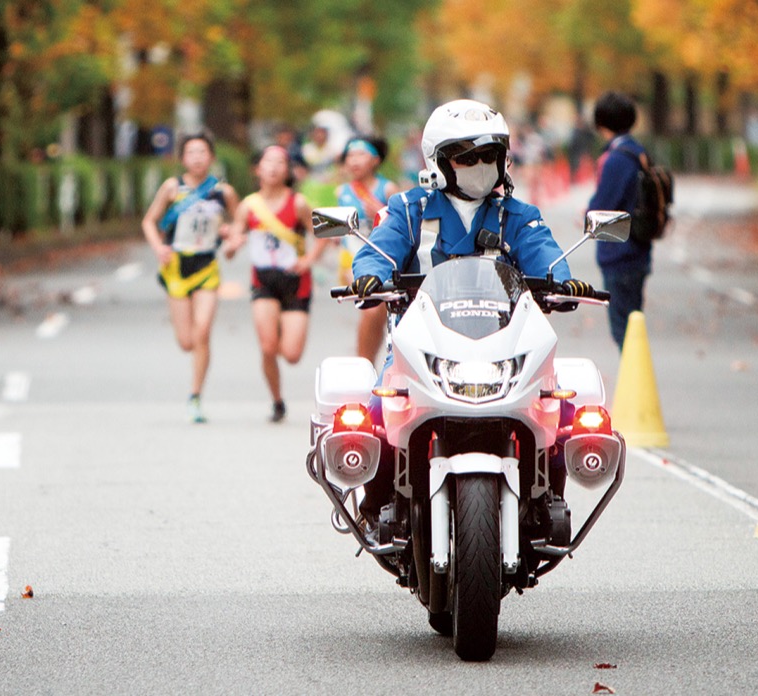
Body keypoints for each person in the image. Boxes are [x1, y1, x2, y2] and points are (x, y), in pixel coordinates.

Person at [350, 99, 599, 530]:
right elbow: (379, 249)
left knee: (561, 413)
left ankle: (547, 501)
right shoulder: (408, 209)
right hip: (418, 345)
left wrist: (561, 279)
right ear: (438, 161)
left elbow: (544, 253)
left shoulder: (519, 215)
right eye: (466, 157)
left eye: (488, 155)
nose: (479, 164)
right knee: (373, 412)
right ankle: (374, 507)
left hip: (505, 344)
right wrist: (369, 275)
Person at [141, 133, 240, 423]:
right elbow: (149, 220)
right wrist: (158, 247)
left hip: (207, 268)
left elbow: (238, 223)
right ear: (183, 158)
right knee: (186, 341)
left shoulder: (223, 192)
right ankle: (195, 389)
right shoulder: (172, 188)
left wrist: (231, 238)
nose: (197, 157)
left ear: (211, 157)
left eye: (202, 152)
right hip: (176, 269)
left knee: (203, 332)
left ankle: (195, 396)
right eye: (191, 152)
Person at [227, 145, 328, 423]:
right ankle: (277, 400)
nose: (273, 167)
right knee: (268, 347)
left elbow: (322, 234)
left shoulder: (297, 203)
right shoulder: (248, 206)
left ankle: (284, 323)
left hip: (296, 282)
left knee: (292, 355)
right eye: (267, 161)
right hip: (264, 283)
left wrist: (308, 260)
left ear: (288, 170)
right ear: (257, 168)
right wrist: (232, 246)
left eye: (280, 162)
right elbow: (232, 244)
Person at [588, 91, 651, 351]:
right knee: (633, 322)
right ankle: (635, 378)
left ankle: (633, 384)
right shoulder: (639, 152)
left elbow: (603, 206)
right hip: (639, 248)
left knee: (623, 329)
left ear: (601, 123)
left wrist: (588, 213)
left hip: (619, 251)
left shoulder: (616, 159)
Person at [334, 136, 400, 363]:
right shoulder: (342, 191)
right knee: (371, 305)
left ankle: (370, 360)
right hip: (351, 259)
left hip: (382, 257)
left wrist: (380, 213)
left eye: (360, 155)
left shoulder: (388, 189)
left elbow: (402, 224)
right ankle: (364, 362)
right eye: (350, 156)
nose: (353, 161)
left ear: (375, 160)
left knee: (379, 315)